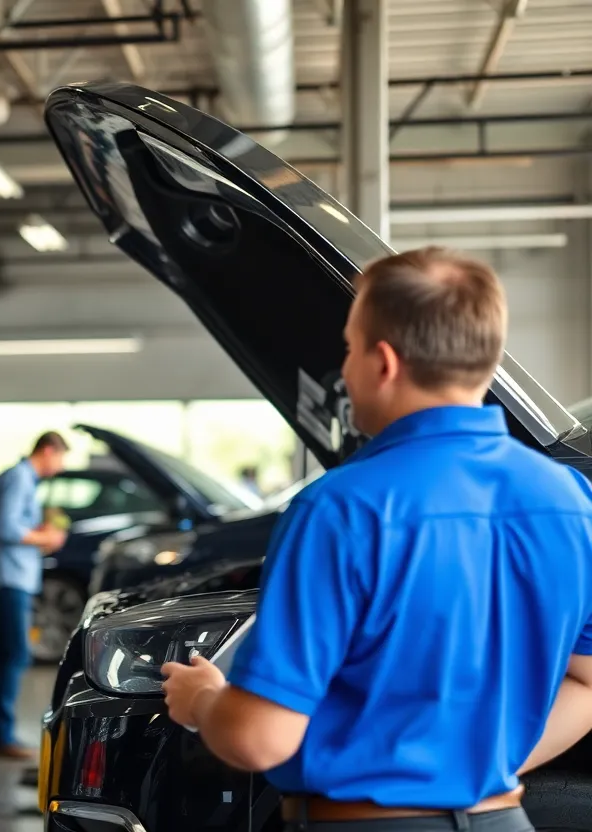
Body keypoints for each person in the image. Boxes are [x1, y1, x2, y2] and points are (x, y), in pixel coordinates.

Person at [160, 246, 592, 830]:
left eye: (349, 347)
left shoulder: (339, 509)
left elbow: (261, 739)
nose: (344, 368)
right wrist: (476, 763)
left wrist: (202, 701)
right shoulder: (570, 501)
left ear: (383, 362)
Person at [0, 431, 70, 759]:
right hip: (11, 578)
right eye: (60, 458)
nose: (59, 467)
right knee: (16, 653)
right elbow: (5, 527)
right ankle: (1, 734)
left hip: (8, 577)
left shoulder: (17, 479)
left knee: (1, 655)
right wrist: (45, 537)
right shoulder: (20, 478)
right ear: (47, 451)